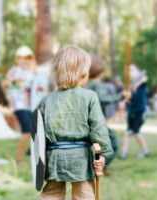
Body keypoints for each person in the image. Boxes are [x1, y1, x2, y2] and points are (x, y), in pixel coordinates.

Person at [39, 45, 112, 199]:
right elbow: (98, 127)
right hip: (81, 159)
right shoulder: (90, 96)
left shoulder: (48, 99)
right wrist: (103, 153)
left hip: (55, 158)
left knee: (51, 194)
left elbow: (41, 132)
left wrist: (42, 159)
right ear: (83, 74)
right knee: (84, 195)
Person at [85, 56, 130, 175]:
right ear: (100, 71)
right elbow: (103, 98)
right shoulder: (96, 84)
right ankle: (99, 166)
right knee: (112, 144)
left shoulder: (84, 84)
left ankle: (99, 167)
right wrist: (121, 96)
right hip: (96, 123)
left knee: (92, 146)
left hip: (85, 122)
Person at [2, 46, 35, 163]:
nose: (26, 60)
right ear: (18, 59)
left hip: (30, 105)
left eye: (29, 58)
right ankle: (19, 159)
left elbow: (35, 89)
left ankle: (31, 150)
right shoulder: (14, 70)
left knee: (36, 129)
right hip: (19, 105)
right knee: (27, 131)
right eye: (23, 58)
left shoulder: (32, 74)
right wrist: (16, 84)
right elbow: (4, 85)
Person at [119, 64, 150, 159]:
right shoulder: (128, 85)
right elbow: (128, 97)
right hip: (131, 111)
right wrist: (124, 101)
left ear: (137, 70)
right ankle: (124, 153)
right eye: (127, 71)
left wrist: (137, 83)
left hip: (141, 110)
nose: (129, 72)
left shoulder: (141, 80)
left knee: (136, 131)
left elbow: (145, 78)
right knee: (128, 132)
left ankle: (145, 152)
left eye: (132, 70)